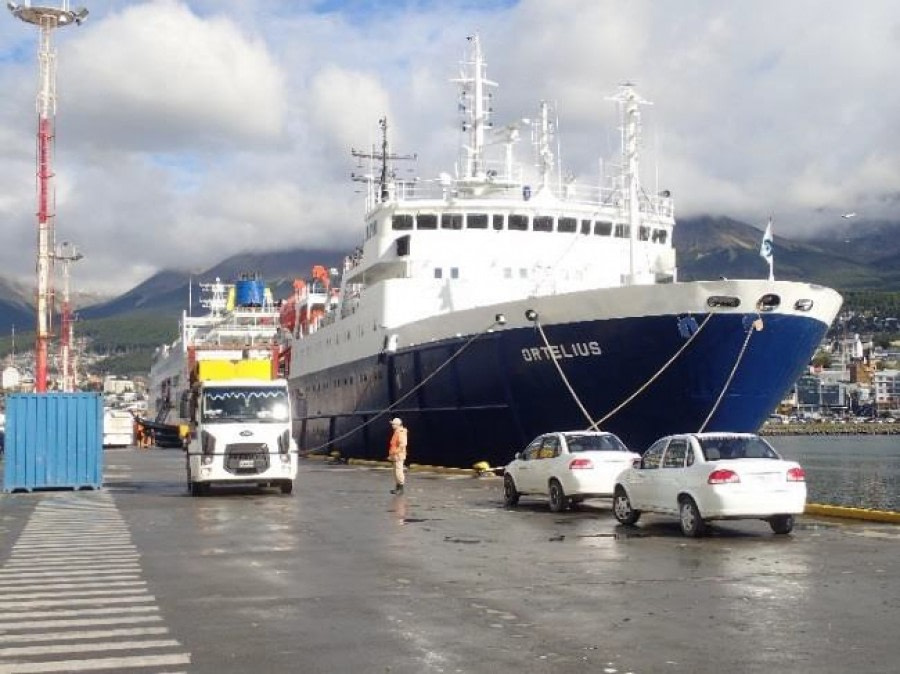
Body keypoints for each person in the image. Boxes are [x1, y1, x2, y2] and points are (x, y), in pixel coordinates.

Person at [387, 417, 408, 494]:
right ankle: (397, 487)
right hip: (395, 455)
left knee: (399, 471)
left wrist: (395, 452)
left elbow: (403, 444)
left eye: (393, 424)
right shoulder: (397, 431)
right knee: (396, 471)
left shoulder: (400, 432)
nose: (392, 425)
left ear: (397, 425)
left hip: (399, 455)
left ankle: (401, 488)